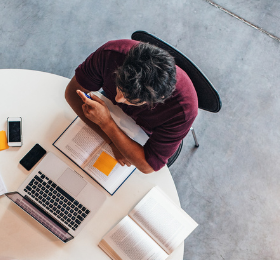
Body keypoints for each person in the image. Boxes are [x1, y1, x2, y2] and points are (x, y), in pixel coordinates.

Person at [64, 39, 198, 174]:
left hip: (146, 133)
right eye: (119, 87)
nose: (118, 98)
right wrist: (112, 141)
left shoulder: (183, 111)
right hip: (112, 114)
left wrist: (106, 124)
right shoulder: (110, 53)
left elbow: (147, 166)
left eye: (130, 99)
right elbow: (71, 93)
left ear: (156, 100)